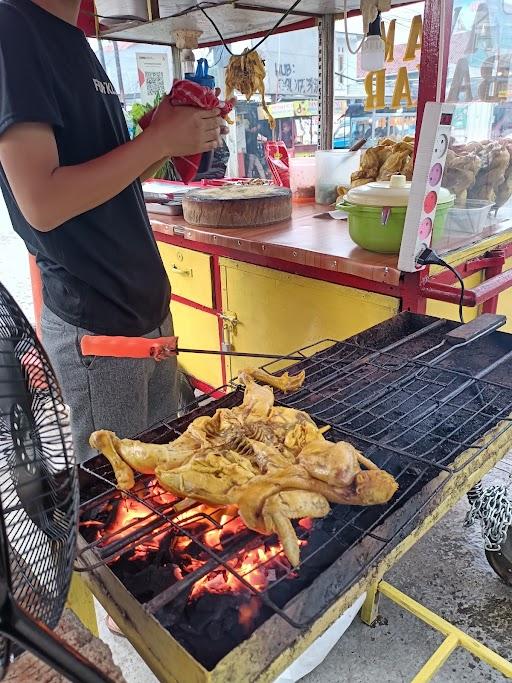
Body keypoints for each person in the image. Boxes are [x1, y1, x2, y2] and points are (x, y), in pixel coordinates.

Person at [0, 0, 226, 463]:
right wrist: (157, 141)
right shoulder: (11, 27)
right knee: (120, 503)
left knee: (166, 485)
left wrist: (163, 132)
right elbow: (42, 203)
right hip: (99, 328)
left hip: (146, 314)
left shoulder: (72, 38)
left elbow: (106, 186)